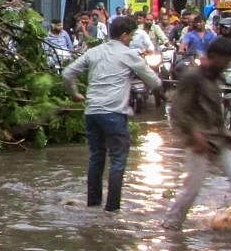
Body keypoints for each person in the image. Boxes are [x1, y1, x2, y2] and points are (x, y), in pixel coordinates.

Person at [62, 16, 162, 212]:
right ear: (124, 35)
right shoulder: (129, 55)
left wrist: (74, 94)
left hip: (92, 112)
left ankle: (93, 205)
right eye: (131, 35)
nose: (132, 39)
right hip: (114, 113)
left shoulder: (94, 51)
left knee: (96, 157)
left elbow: (67, 73)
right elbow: (155, 82)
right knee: (118, 160)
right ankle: (112, 209)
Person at [162, 37, 231, 231]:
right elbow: (178, 110)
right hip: (199, 142)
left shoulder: (216, 78)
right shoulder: (193, 77)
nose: (226, 65)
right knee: (192, 190)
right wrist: (194, 134)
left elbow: (214, 114)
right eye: (225, 60)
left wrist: (230, 136)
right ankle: (171, 226)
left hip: (217, 140)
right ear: (213, 57)